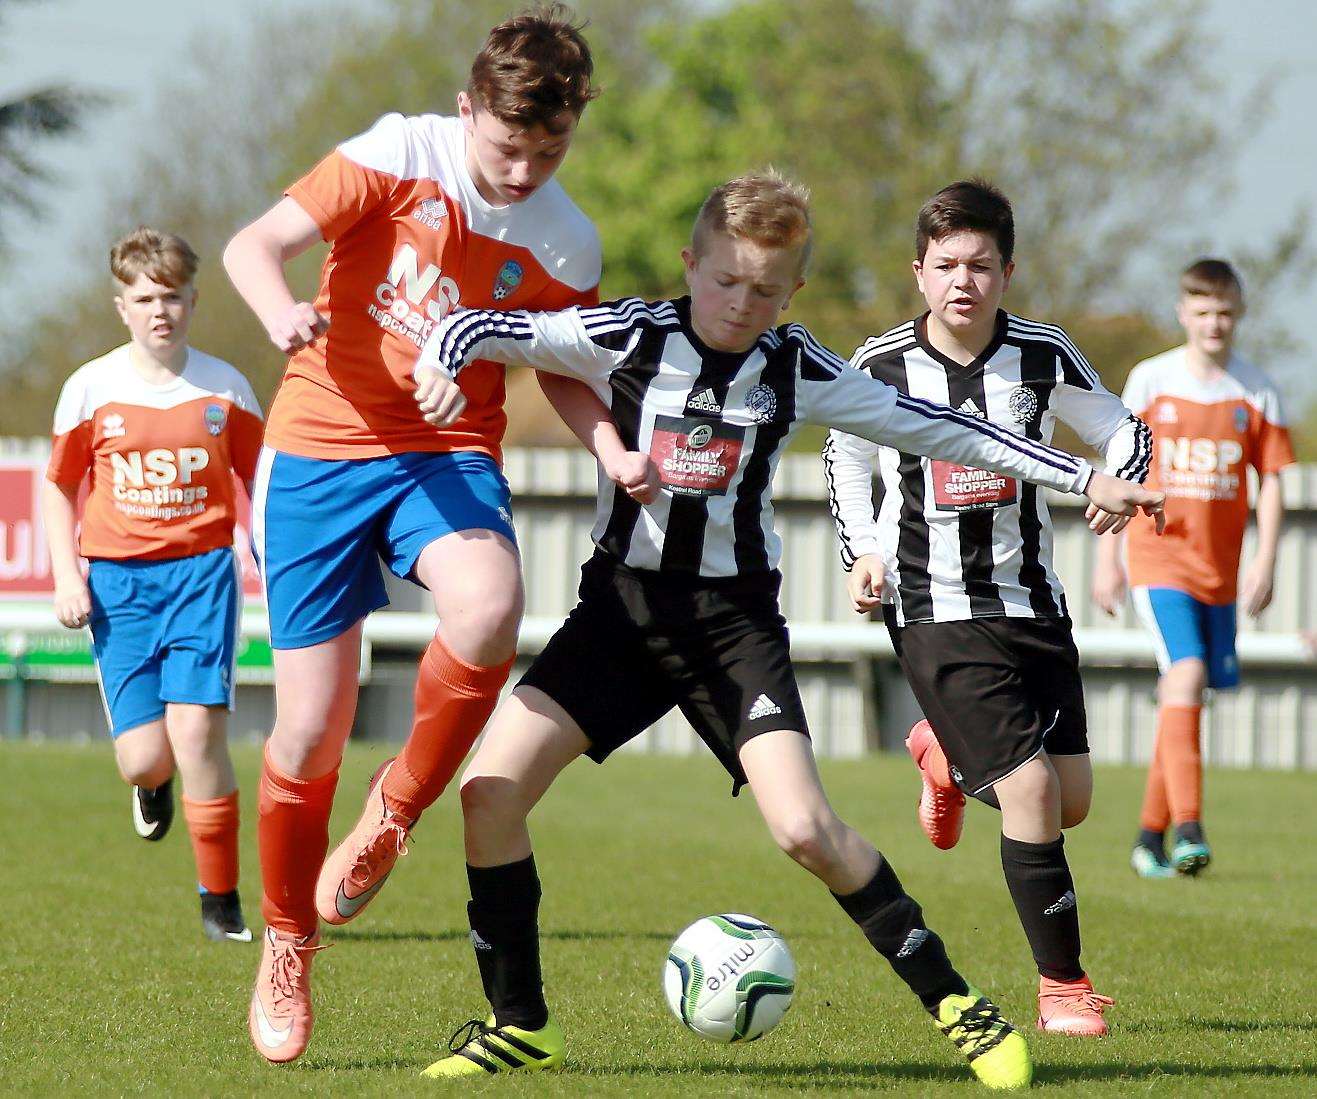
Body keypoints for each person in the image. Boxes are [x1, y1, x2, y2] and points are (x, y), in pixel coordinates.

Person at [409, 172, 1162, 1087]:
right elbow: (490, 326)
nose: (740, 305)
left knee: (805, 828)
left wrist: (1083, 478)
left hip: (733, 630)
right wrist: (439, 358)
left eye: (765, 290)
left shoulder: (794, 363)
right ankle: (519, 1024)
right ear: (691, 264)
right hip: (621, 616)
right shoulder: (630, 333)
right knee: (487, 793)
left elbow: (942, 430)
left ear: (791, 292)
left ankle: (956, 1003)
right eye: (725, 281)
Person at [221, 5, 650, 1064]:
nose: (525, 168)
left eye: (550, 149)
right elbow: (254, 243)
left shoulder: (567, 235)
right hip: (320, 447)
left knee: (492, 603)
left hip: (447, 447)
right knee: (307, 730)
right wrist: (280, 311)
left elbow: (561, 363)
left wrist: (611, 447)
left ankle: (395, 809)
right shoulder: (395, 152)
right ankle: (286, 941)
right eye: (509, 146)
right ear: (468, 111)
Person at [824, 179, 1154, 1038]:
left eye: (978, 264)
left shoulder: (1042, 354)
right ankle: (1063, 988)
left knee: (1070, 799)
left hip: (1032, 603)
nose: (960, 280)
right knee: (1033, 790)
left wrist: (1120, 481)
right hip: (931, 604)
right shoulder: (880, 363)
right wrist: (860, 547)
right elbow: (843, 457)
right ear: (917, 272)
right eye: (944, 265)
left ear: (1006, 271)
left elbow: (1123, 429)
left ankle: (943, 758)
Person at [43, 227, 264, 943]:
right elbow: (59, 488)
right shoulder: (89, 388)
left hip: (201, 576)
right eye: (144, 297)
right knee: (145, 754)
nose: (159, 310)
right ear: (122, 305)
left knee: (198, 730)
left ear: (193, 299)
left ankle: (220, 900)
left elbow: (262, 479)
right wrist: (67, 575)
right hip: (116, 587)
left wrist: (265, 548)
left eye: (171, 295)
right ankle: (151, 783)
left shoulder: (225, 386)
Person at [1092, 258, 1294, 879]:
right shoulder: (1151, 381)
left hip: (1221, 571)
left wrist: (1265, 559)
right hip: (1158, 558)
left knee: (1188, 693)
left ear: (1240, 312)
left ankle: (1149, 839)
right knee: (1187, 673)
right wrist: (1109, 558)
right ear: (1183, 313)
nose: (1215, 323)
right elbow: (1119, 467)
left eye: (1226, 312)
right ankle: (1190, 830)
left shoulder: (1256, 390)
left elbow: (1274, 482)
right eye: (1203, 312)